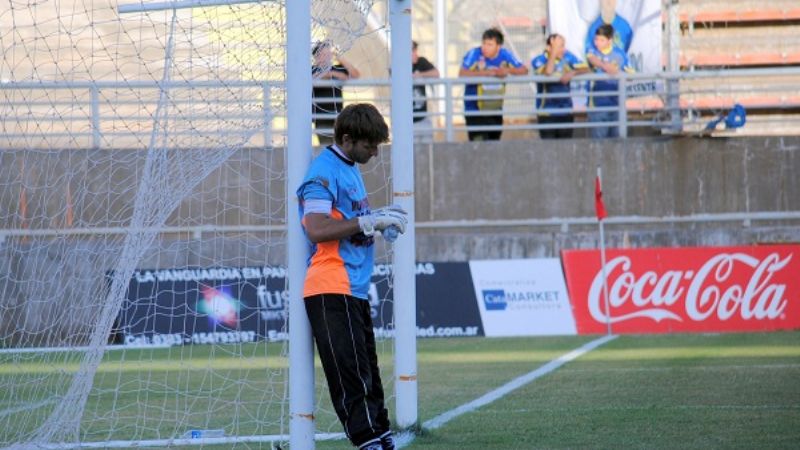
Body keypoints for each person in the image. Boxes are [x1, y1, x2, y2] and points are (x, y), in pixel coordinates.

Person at [296, 103, 407, 450]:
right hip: (330, 285)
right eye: (369, 146)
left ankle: (381, 433)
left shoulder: (349, 167)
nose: (375, 153)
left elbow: (350, 221)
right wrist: (366, 221)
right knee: (350, 373)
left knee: (368, 370)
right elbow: (316, 229)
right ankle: (366, 439)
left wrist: (379, 220)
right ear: (347, 139)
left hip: (353, 286)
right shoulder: (323, 173)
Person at [458, 28, 528, 141]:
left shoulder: (505, 54)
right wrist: (487, 73)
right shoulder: (474, 53)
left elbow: (524, 70)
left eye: (489, 44)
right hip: (474, 110)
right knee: (478, 144)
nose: (485, 47)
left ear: (498, 46)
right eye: (484, 43)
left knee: (494, 144)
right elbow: (462, 74)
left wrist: (506, 71)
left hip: (495, 109)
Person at [531, 34, 589, 139]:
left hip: (566, 111)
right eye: (559, 46)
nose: (563, 49)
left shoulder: (568, 56)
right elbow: (548, 72)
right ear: (549, 48)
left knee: (565, 147)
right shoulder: (539, 60)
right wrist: (554, 51)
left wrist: (573, 72)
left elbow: (587, 69)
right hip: (546, 113)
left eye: (563, 45)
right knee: (549, 147)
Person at [586, 24, 634, 138]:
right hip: (597, 106)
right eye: (596, 39)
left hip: (617, 104)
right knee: (599, 143)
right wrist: (605, 66)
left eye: (601, 40)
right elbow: (591, 58)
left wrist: (617, 72)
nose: (597, 43)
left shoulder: (620, 54)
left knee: (618, 142)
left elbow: (631, 75)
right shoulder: (592, 50)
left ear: (610, 41)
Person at [312, 40, 361, 146]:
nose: (327, 57)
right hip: (321, 117)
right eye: (324, 54)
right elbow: (313, 78)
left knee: (341, 146)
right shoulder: (312, 70)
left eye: (329, 54)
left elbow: (355, 74)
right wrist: (329, 74)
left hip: (338, 116)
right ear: (316, 56)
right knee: (327, 146)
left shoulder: (336, 69)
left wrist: (338, 56)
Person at [412, 40, 440, 144]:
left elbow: (436, 74)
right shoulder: (398, 66)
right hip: (407, 121)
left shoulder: (421, 62)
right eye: (412, 51)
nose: (415, 53)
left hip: (423, 117)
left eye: (415, 50)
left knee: (428, 148)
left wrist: (419, 75)